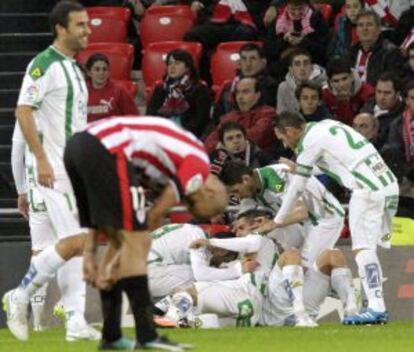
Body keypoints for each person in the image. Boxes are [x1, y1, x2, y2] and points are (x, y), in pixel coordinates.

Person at [63, 116, 228, 350]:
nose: (186, 203)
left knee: (125, 239)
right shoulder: (200, 164)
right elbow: (154, 215)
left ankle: (111, 337)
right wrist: (122, 252)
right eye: (191, 201)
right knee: (139, 242)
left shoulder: (161, 162)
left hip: (77, 147)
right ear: (209, 191)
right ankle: (147, 336)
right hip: (108, 148)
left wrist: (92, 255)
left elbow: (113, 224)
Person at [2, 1, 101, 343]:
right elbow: (23, 111)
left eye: (88, 24)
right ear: (60, 28)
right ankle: (21, 294)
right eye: (80, 25)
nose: (88, 30)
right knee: (78, 240)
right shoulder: (43, 65)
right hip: (52, 170)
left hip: (72, 169)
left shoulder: (75, 68)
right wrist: (42, 159)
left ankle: (74, 321)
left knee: (75, 245)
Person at [270, 111, 399, 325]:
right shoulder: (326, 125)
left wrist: (278, 219)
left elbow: (296, 188)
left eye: (283, 138)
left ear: (291, 131)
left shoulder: (309, 141)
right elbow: (338, 163)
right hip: (387, 184)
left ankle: (377, 308)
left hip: (366, 189)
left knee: (363, 249)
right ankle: (376, 306)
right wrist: (302, 168)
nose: (284, 144)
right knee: (368, 248)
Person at [220, 161, 344, 269]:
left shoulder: (276, 181)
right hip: (304, 224)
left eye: (236, 191)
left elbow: (302, 211)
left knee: (308, 269)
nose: (237, 196)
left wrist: (270, 225)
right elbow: (243, 221)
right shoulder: (250, 191)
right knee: (254, 232)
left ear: (246, 179)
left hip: (325, 218)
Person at [148, 223, 241, 301]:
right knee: (202, 280)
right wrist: (235, 271)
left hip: (143, 263)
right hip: (147, 270)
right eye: (224, 260)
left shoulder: (195, 231)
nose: (220, 264)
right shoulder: (199, 240)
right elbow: (201, 275)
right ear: (223, 251)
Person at [146, 49, 212, 138]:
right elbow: (151, 115)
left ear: (187, 67)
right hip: (162, 134)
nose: (172, 67)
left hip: (188, 135)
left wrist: (182, 134)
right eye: (170, 63)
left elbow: (200, 119)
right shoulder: (161, 88)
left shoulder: (199, 89)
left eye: (177, 63)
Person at [204, 77, 278, 155]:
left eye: (245, 92)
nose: (240, 97)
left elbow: (255, 137)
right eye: (238, 93)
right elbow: (209, 142)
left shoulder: (268, 113)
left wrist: (225, 143)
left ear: (257, 95)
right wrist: (219, 145)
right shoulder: (230, 116)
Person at [264, 0, 330, 80]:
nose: (297, 13)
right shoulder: (277, 22)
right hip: (283, 69)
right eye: (293, 9)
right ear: (287, 6)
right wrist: (284, 41)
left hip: (313, 65)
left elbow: (325, 50)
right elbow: (268, 50)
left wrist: (304, 42)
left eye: (300, 9)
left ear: (306, 5)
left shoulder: (316, 19)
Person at [213, 42, 277, 121]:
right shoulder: (229, 86)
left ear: (263, 62)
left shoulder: (270, 86)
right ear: (239, 63)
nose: (248, 64)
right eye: (244, 58)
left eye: (253, 59)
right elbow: (217, 115)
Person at [348, 10, 405, 85]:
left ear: (379, 29)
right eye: (360, 25)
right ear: (356, 31)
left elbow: (392, 84)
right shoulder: (351, 51)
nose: (364, 29)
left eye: (369, 24)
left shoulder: (391, 52)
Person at [85, 53, 139, 122]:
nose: (101, 73)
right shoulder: (82, 91)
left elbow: (133, 118)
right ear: (89, 72)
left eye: (104, 69)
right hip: (89, 130)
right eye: (97, 69)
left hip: (113, 131)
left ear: (108, 72)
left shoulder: (119, 91)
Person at [323, 57, 374, 125]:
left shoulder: (368, 92)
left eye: (344, 78)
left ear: (352, 76)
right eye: (336, 81)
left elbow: (362, 124)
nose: (342, 84)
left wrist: (346, 103)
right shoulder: (325, 94)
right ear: (330, 82)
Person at [360, 72, 405, 148]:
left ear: (397, 94)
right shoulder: (368, 105)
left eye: (387, 93)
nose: (382, 97)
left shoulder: (401, 117)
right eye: (378, 91)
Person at [383, 80, 414, 186]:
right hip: (409, 173)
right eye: (413, 98)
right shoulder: (398, 124)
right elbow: (394, 152)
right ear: (406, 100)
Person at [277, 49, 326, 114]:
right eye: (297, 64)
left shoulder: (324, 85)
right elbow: (281, 114)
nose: (302, 68)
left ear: (312, 67)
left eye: (306, 63)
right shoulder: (283, 87)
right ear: (291, 69)